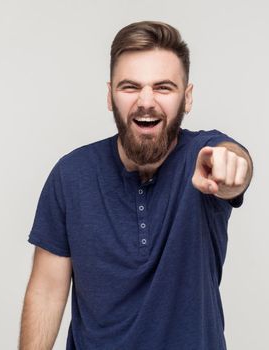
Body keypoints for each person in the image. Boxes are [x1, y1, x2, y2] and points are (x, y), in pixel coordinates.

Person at [19, 20, 254, 350]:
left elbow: (232, 165)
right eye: (130, 87)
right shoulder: (71, 175)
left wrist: (231, 169)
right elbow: (45, 292)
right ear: (109, 95)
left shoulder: (202, 158)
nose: (146, 101)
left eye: (163, 87)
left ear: (186, 98)